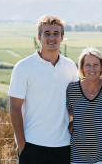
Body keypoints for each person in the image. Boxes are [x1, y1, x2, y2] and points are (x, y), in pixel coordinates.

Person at [8, 15, 78, 164]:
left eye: (56, 33)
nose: (52, 37)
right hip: (32, 145)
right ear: (39, 37)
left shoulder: (70, 66)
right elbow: (14, 108)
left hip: (63, 145)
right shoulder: (23, 67)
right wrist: (22, 146)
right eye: (47, 33)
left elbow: (74, 104)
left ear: (62, 37)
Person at [66, 47, 102, 164]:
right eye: (87, 65)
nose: (92, 69)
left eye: (95, 64)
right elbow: (66, 115)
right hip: (78, 158)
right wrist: (71, 123)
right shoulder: (72, 89)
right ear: (82, 67)